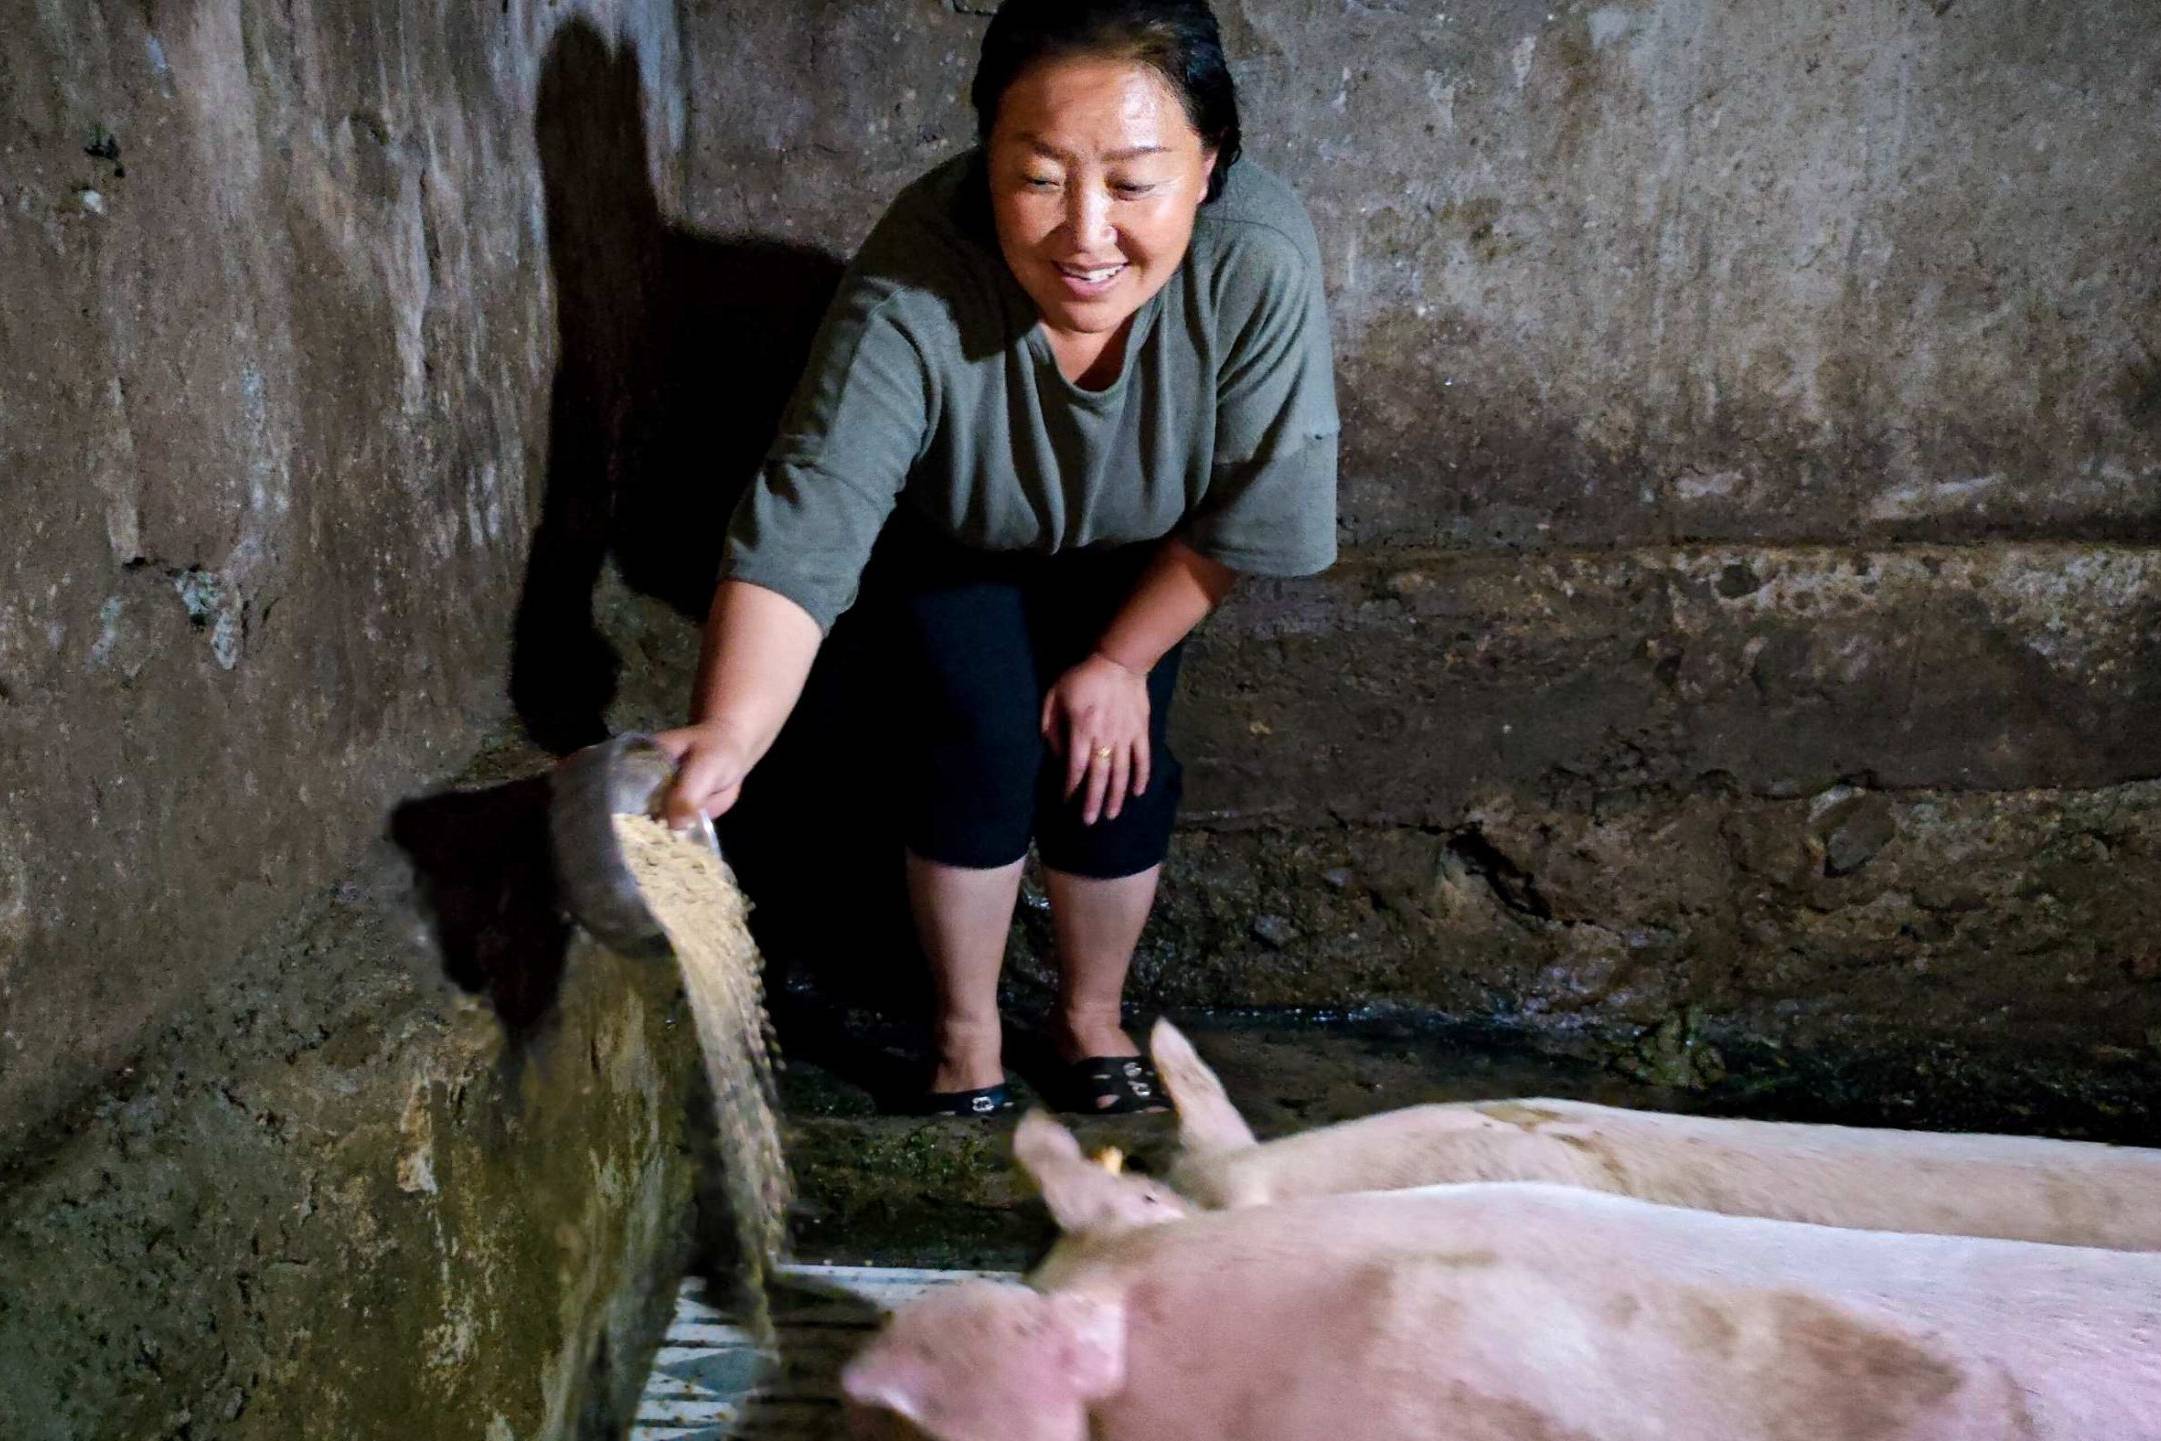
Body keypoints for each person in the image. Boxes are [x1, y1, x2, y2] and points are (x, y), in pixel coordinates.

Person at [659, 0, 1338, 1115]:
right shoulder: (916, 274)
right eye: (1037, 178)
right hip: (957, 536)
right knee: (975, 749)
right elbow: (813, 508)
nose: (1084, 233)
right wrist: (733, 731)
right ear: (986, 163)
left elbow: (1253, 506)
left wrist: (1118, 662)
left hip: (1150, 551)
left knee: (1115, 761)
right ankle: (964, 1035)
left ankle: (1088, 1017)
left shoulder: (1254, 260)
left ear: (1208, 168)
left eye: (1131, 184)